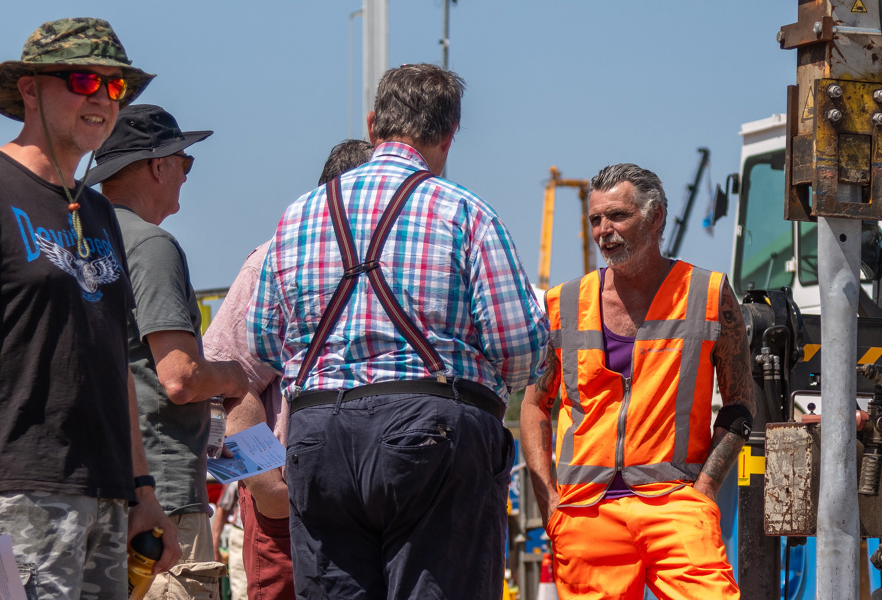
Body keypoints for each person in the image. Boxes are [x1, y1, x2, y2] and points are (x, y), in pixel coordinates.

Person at [248, 64, 547, 599]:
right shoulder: (465, 212)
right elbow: (519, 348)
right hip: (431, 435)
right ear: (449, 134)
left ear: (372, 125)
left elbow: (264, 341)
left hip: (318, 435)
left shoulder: (298, 216)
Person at [0, 18, 178, 600]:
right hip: (14, 490)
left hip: (107, 495)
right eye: (84, 80)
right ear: (30, 90)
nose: (102, 98)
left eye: (115, 86)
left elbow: (115, 363)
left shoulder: (99, 212)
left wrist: (142, 491)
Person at [519, 164, 754, 600]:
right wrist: (549, 501)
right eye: (595, 219)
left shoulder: (709, 293)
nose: (603, 231)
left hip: (677, 504)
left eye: (618, 216)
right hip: (585, 513)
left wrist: (704, 491)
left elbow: (740, 405)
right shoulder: (562, 303)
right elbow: (534, 405)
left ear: (656, 217)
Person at [82, 103, 257, 597]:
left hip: (94, 488)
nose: (185, 175)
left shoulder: (75, 239)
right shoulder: (151, 245)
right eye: (185, 162)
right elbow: (180, 377)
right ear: (158, 166)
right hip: (161, 498)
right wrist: (235, 376)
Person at [206, 138, 373, 600]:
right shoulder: (275, 261)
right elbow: (220, 380)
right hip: (293, 510)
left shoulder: (398, 265)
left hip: (375, 504)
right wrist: (268, 488)